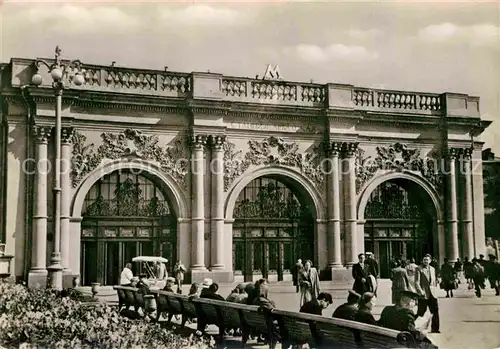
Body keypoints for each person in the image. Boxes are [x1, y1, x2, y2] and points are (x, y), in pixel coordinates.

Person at [415, 254, 440, 333]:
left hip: (432, 293)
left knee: (435, 311)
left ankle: (435, 329)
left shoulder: (432, 269)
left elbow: (433, 280)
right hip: (423, 294)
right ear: (422, 260)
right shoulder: (419, 269)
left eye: (427, 260)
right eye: (424, 259)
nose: (426, 261)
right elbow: (416, 282)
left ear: (430, 260)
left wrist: (436, 284)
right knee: (421, 312)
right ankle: (413, 326)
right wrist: (420, 291)